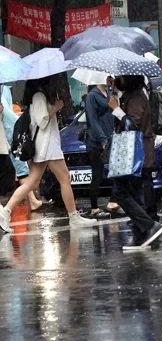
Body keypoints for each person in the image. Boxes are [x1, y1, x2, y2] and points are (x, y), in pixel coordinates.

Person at [0, 76, 96, 233]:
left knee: (32, 182)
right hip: (47, 147)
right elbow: (42, 120)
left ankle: (6, 212)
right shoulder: (38, 96)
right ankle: (73, 217)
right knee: (65, 178)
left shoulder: (40, 96)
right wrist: (56, 108)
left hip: (46, 146)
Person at [107, 76, 162, 249]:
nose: (118, 78)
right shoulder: (130, 96)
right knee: (132, 192)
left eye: (120, 77)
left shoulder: (137, 97)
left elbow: (133, 124)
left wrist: (116, 109)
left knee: (121, 192)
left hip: (136, 153)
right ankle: (142, 233)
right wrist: (114, 92)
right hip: (129, 153)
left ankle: (149, 226)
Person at [84, 80, 124, 219]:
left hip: (110, 137)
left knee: (117, 171)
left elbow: (115, 115)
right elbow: (92, 120)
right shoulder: (92, 96)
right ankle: (94, 208)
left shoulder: (109, 94)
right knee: (97, 175)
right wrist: (102, 139)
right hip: (96, 141)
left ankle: (113, 203)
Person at [1, 86, 45, 210]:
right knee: (20, 170)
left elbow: (6, 111)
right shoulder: (3, 89)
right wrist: (19, 120)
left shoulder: (4, 89)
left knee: (21, 170)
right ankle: (27, 202)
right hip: (8, 135)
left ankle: (32, 201)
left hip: (8, 135)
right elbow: (6, 114)